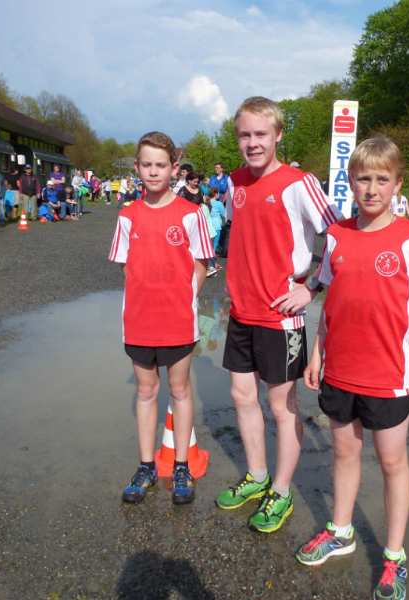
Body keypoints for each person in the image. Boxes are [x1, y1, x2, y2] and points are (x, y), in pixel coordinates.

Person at [296, 135, 409, 600]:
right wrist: (318, 353)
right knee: (345, 454)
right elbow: (331, 300)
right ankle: (341, 530)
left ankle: (394, 556)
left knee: (391, 462)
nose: (371, 189)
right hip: (339, 371)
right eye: (363, 179)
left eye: (382, 180)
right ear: (350, 182)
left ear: (398, 184)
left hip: (388, 375)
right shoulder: (337, 236)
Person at [214, 96, 341, 533]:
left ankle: (282, 492)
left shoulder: (299, 183)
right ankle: (257, 475)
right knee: (241, 397)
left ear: (278, 135)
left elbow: (340, 236)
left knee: (281, 406)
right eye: (244, 135)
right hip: (241, 312)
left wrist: (312, 287)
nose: (252, 143)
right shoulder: (233, 182)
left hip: (280, 316)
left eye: (260, 134)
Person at [108, 131, 214, 505]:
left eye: (161, 165)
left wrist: (183, 298)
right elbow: (125, 266)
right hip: (139, 320)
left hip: (178, 321)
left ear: (174, 168)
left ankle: (181, 465)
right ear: (137, 168)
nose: (154, 172)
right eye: (147, 165)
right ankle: (145, 466)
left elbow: (201, 264)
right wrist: (147, 295)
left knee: (180, 390)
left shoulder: (192, 213)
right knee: (146, 391)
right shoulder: (127, 215)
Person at [207, 187, 226, 273]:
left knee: (208, 245)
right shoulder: (219, 203)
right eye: (218, 193)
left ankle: (212, 264)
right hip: (216, 226)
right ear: (215, 194)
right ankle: (211, 266)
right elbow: (224, 214)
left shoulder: (206, 202)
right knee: (214, 246)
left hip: (207, 226)